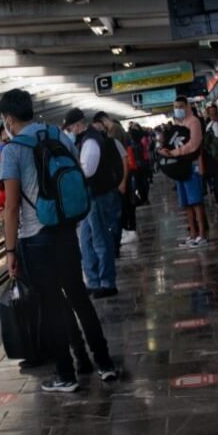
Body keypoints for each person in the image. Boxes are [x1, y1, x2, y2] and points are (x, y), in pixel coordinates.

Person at [1, 91, 118, 391]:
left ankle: (66, 375)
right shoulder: (57, 134)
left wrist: (10, 250)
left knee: (52, 307)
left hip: (35, 238)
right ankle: (104, 363)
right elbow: (76, 174)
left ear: (8, 119)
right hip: (65, 231)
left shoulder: (12, 150)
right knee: (80, 298)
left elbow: (12, 207)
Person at [63, 108, 123, 297]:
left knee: (100, 240)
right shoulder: (86, 139)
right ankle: (94, 282)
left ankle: (107, 283)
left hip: (98, 195)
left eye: (70, 128)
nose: (70, 132)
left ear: (77, 125)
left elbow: (87, 171)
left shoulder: (90, 141)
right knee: (86, 240)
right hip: (91, 196)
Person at [160, 98, 208, 246]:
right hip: (180, 167)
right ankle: (192, 234)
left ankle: (202, 234)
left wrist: (174, 153)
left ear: (187, 106)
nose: (178, 109)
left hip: (191, 166)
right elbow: (170, 142)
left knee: (196, 201)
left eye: (180, 106)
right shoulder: (177, 124)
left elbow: (194, 145)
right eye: (175, 107)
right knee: (186, 203)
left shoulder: (194, 122)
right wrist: (163, 149)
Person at [103, 116, 139, 246]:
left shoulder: (115, 143)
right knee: (128, 203)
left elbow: (123, 160)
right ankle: (129, 229)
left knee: (124, 205)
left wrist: (122, 181)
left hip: (123, 176)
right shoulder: (124, 140)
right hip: (128, 174)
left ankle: (129, 230)